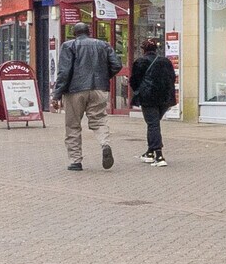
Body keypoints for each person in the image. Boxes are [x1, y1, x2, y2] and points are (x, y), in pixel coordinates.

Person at [53, 21, 121, 171]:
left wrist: (56, 94)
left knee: (73, 125)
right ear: (88, 32)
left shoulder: (69, 46)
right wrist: (104, 76)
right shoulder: (103, 45)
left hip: (75, 90)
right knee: (99, 120)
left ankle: (75, 161)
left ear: (74, 33)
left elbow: (64, 72)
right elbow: (117, 65)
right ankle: (105, 144)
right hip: (99, 89)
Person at [128, 36, 177, 166]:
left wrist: (139, 91)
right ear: (156, 49)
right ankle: (149, 153)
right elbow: (172, 78)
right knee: (154, 124)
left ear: (143, 50)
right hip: (165, 98)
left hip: (148, 98)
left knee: (153, 124)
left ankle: (159, 155)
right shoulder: (166, 61)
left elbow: (134, 81)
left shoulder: (140, 62)